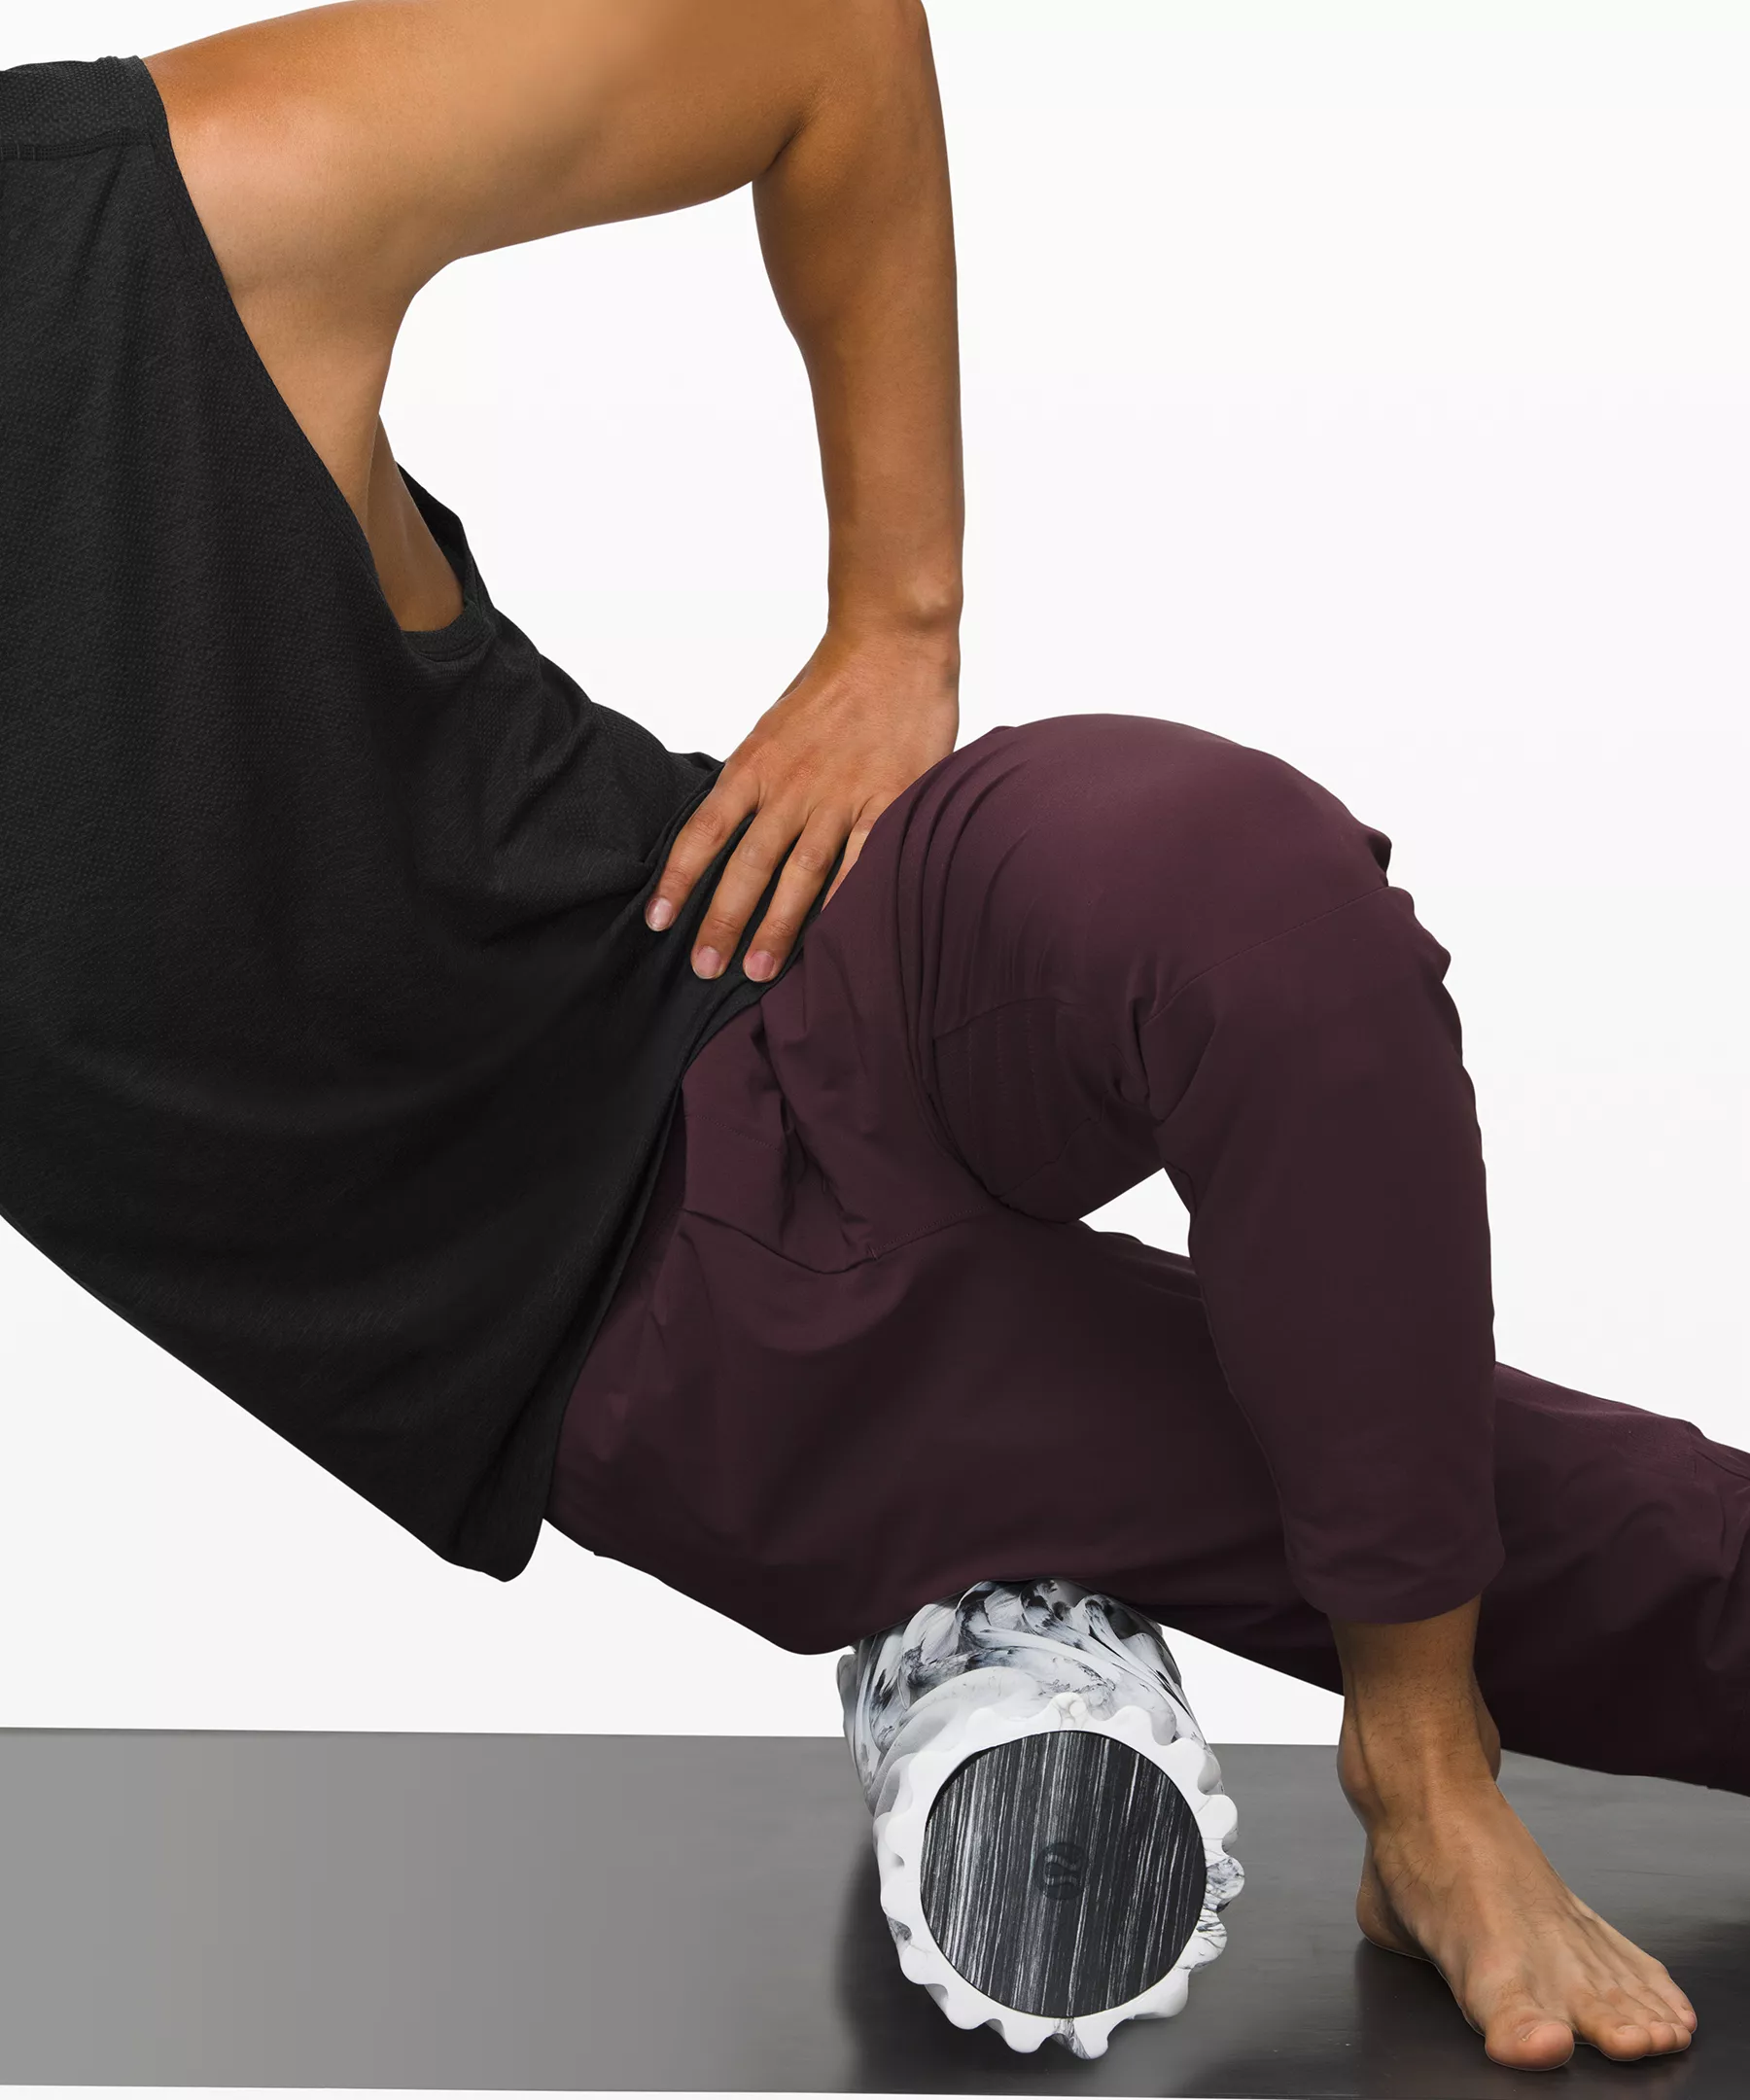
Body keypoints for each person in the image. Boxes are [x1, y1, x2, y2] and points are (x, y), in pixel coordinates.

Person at [0, 0, 1738, 2072]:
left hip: (779, 950)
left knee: (1250, 900)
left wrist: (893, 619)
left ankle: (1424, 1776)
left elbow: (812, 33)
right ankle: (998, 1630)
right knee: (1667, 1578)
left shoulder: (157, 214)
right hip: (659, 1358)